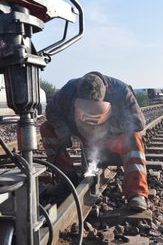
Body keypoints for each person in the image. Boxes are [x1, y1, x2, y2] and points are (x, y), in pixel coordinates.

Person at [40, 71, 148, 211]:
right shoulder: (69, 89)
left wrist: (111, 127)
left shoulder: (120, 90)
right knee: (46, 129)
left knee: (133, 137)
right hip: (80, 130)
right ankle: (66, 178)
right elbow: (51, 110)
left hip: (110, 135)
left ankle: (136, 193)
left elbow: (139, 122)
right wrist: (61, 127)